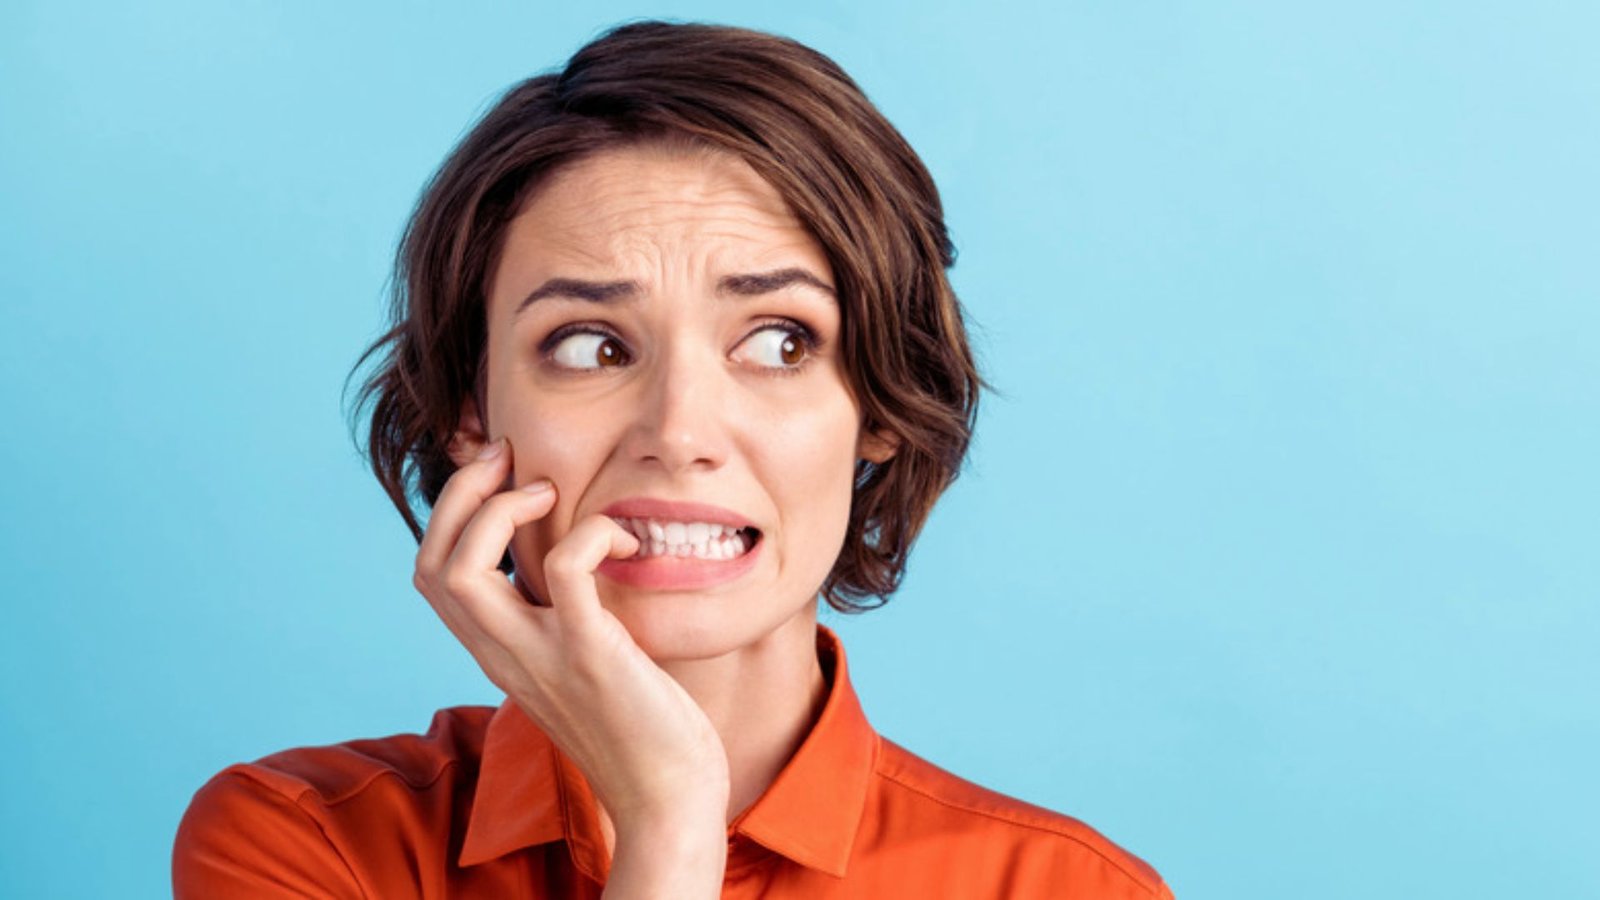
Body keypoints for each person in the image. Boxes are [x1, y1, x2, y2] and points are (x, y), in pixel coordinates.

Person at [172, 20, 1174, 899]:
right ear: (470, 414)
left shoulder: (1067, 891)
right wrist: (668, 824)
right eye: (588, 346)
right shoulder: (307, 844)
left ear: (879, 406)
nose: (680, 430)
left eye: (779, 342)